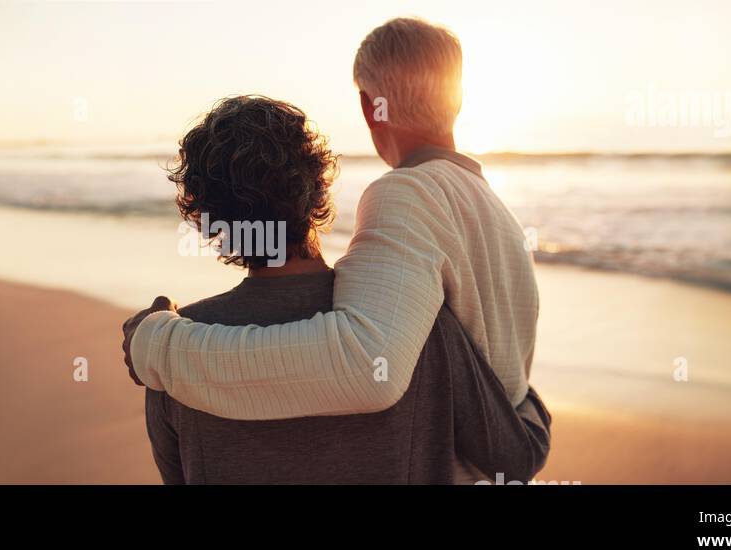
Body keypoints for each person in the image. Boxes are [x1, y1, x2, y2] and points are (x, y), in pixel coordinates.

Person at [123, 18, 541, 423]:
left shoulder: (409, 192)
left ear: (369, 106)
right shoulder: (500, 215)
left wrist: (158, 346)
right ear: (460, 98)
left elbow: (366, 368)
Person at [144, 95, 549, 484]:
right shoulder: (417, 325)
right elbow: (507, 453)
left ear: (206, 220)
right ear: (319, 186)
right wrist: (531, 405)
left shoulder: (176, 349)